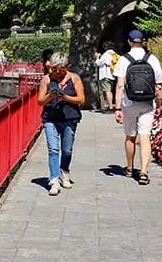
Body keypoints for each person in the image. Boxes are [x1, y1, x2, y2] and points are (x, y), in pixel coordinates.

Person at [113, 29, 162, 184]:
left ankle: (129, 168)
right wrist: (160, 104)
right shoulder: (152, 59)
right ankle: (143, 172)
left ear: (129, 41)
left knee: (130, 136)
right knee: (145, 136)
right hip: (147, 103)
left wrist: (117, 108)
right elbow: (159, 86)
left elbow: (120, 85)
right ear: (143, 42)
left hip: (129, 103)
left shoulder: (124, 60)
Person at [36, 53, 85, 196]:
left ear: (66, 67)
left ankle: (65, 171)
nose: (57, 71)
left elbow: (81, 99)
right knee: (53, 150)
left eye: (61, 68)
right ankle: (54, 179)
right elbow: (40, 101)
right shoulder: (46, 79)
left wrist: (65, 97)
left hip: (69, 118)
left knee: (67, 149)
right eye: (55, 68)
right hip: (50, 118)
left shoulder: (74, 78)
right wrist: (50, 96)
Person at [94, 43, 119, 112]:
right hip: (112, 75)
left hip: (105, 75)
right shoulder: (114, 54)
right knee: (110, 90)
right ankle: (111, 105)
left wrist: (97, 57)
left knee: (107, 91)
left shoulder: (106, 54)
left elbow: (98, 63)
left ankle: (110, 107)